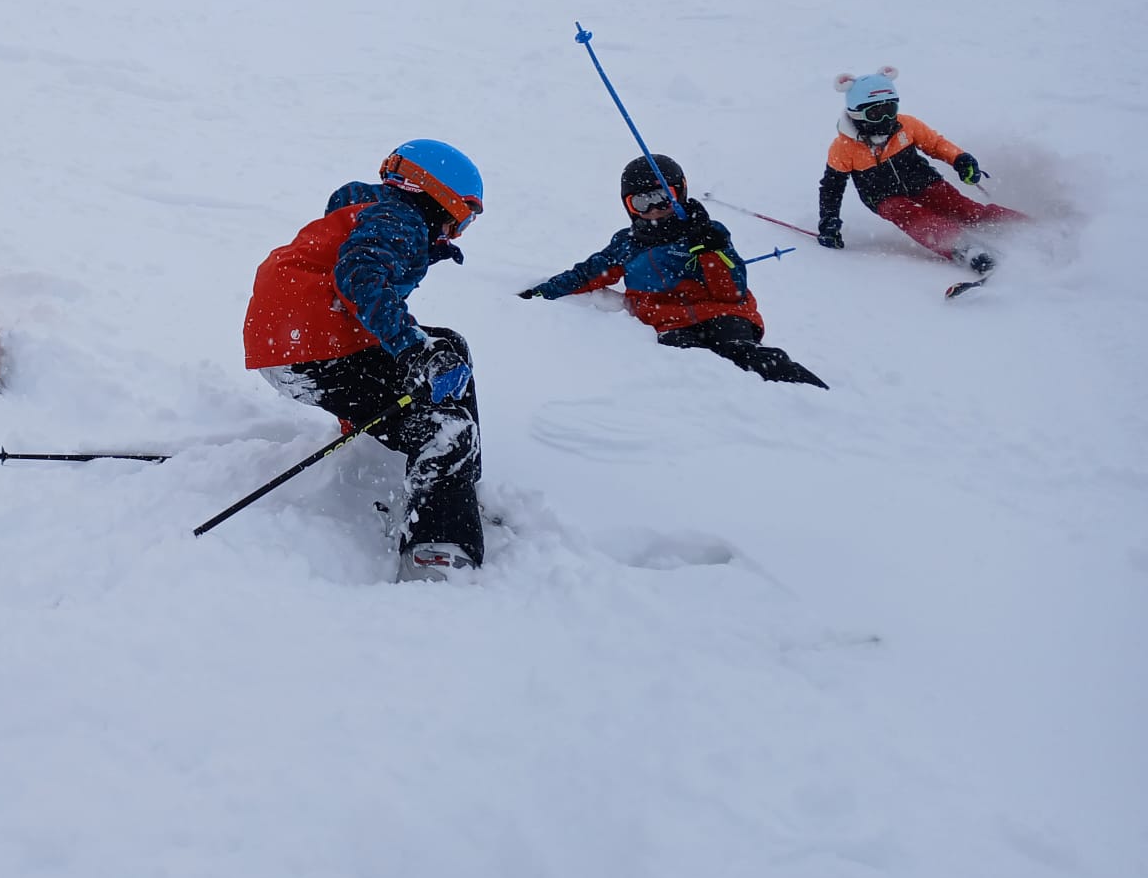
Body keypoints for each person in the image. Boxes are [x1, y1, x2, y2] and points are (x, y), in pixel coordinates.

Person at [243, 140, 489, 579]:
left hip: (297, 343)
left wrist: (420, 352)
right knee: (448, 430)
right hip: (316, 353)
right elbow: (359, 278)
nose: (456, 231)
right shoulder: (400, 219)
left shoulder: (375, 211)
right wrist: (414, 350)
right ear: (440, 196)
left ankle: (453, 489)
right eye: (463, 217)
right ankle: (436, 551)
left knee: (450, 346)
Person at [520, 156, 826, 387]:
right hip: (667, 321)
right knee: (690, 365)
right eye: (642, 201)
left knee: (742, 353)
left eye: (662, 197)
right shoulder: (628, 243)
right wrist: (543, 292)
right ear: (629, 206)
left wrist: (710, 250)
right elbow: (587, 274)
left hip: (723, 313)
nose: (654, 209)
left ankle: (815, 397)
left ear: (679, 194)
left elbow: (731, 292)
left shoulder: (708, 232)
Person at [817, 70, 1024, 271]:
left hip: (924, 181)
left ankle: (1023, 226)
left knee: (965, 209)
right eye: (875, 114)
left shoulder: (907, 125)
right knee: (914, 216)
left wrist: (960, 159)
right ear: (856, 114)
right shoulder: (844, 148)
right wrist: (829, 221)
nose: (885, 119)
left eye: (890, 109)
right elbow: (832, 187)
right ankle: (962, 247)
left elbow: (936, 144)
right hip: (883, 197)